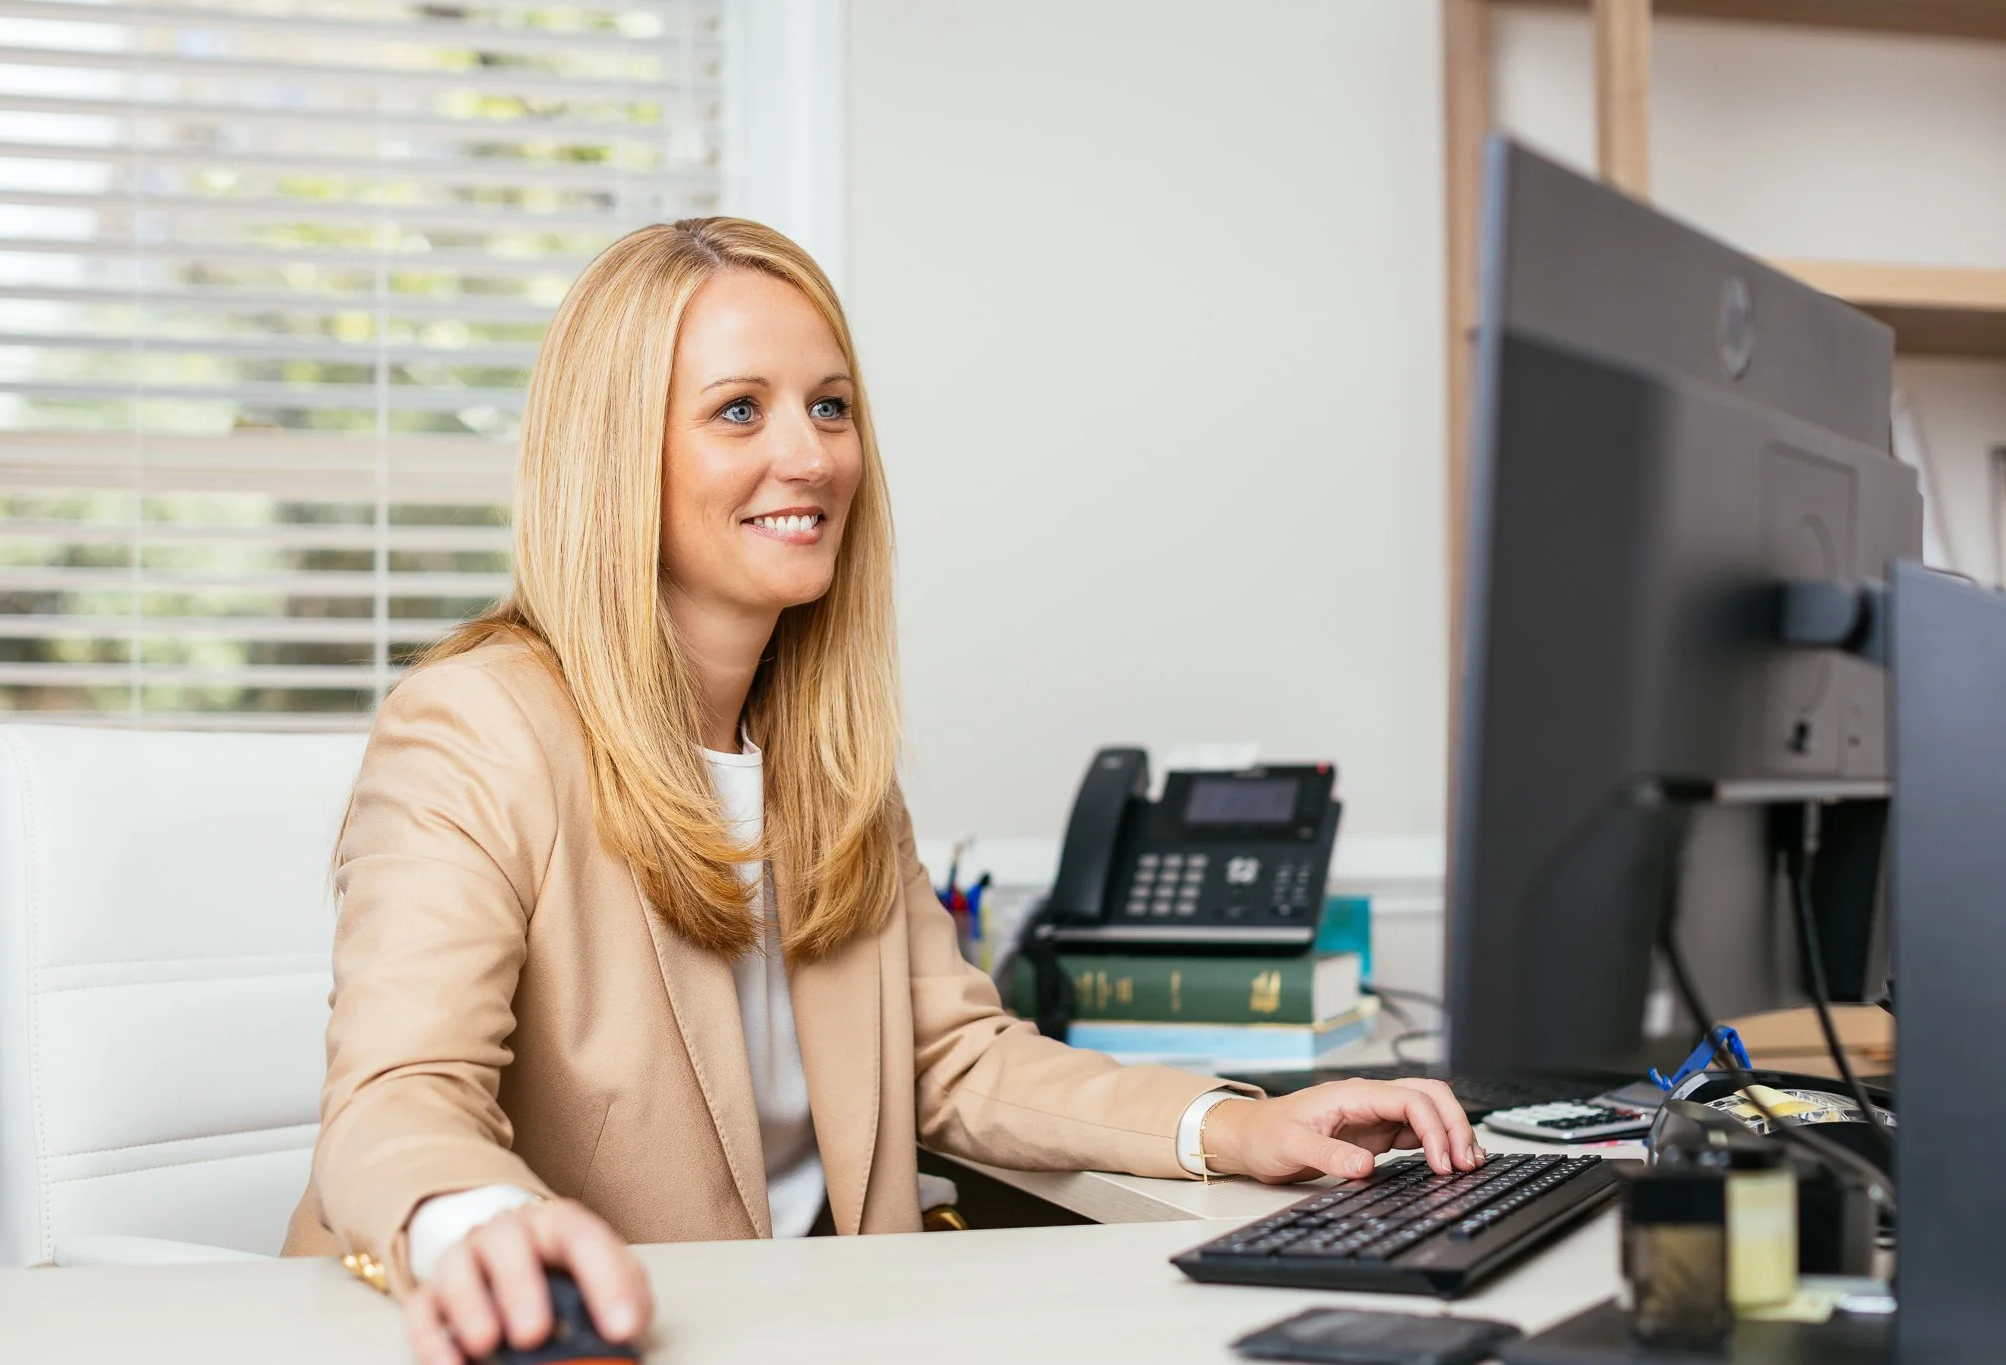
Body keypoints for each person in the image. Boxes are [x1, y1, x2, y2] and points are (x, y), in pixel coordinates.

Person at [281, 218, 1484, 1365]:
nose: (807, 455)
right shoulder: (477, 726)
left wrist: (1237, 1126)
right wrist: (474, 1220)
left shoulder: (819, 750)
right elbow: (397, 1095)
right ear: (614, 454)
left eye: (830, 407)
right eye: (737, 410)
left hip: (823, 1328)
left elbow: (952, 1057)